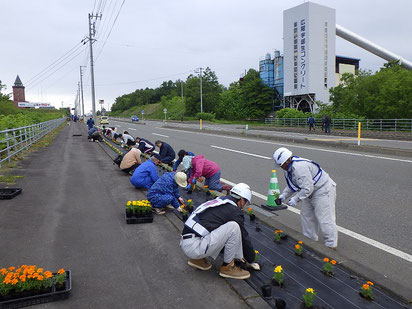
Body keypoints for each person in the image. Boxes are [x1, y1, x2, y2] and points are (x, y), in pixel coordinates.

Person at [180, 183, 257, 279]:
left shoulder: (220, 201)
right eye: (245, 202)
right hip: (194, 247)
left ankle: (198, 259)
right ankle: (228, 268)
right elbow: (243, 236)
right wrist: (251, 258)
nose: (244, 206)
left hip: (186, 241)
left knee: (220, 227)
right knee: (234, 227)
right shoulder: (234, 211)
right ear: (241, 200)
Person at [273, 147, 337, 248]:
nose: (281, 167)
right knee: (306, 215)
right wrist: (283, 196)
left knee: (324, 218)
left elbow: (307, 188)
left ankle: (331, 245)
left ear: (287, 161)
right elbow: (293, 185)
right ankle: (310, 240)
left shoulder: (299, 167)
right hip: (309, 192)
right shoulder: (289, 170)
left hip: (322, 190)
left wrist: (296, 199)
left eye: (281, 165)